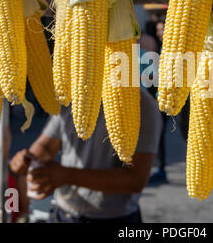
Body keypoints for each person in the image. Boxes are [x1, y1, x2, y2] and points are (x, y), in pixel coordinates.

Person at [10, 88, 163, 223]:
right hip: (63, 214)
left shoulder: (143, 105)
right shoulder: (71, 97)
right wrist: (28, 160)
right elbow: (47, 146)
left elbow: (135, 179)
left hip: (113, 218)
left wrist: (66, 175)